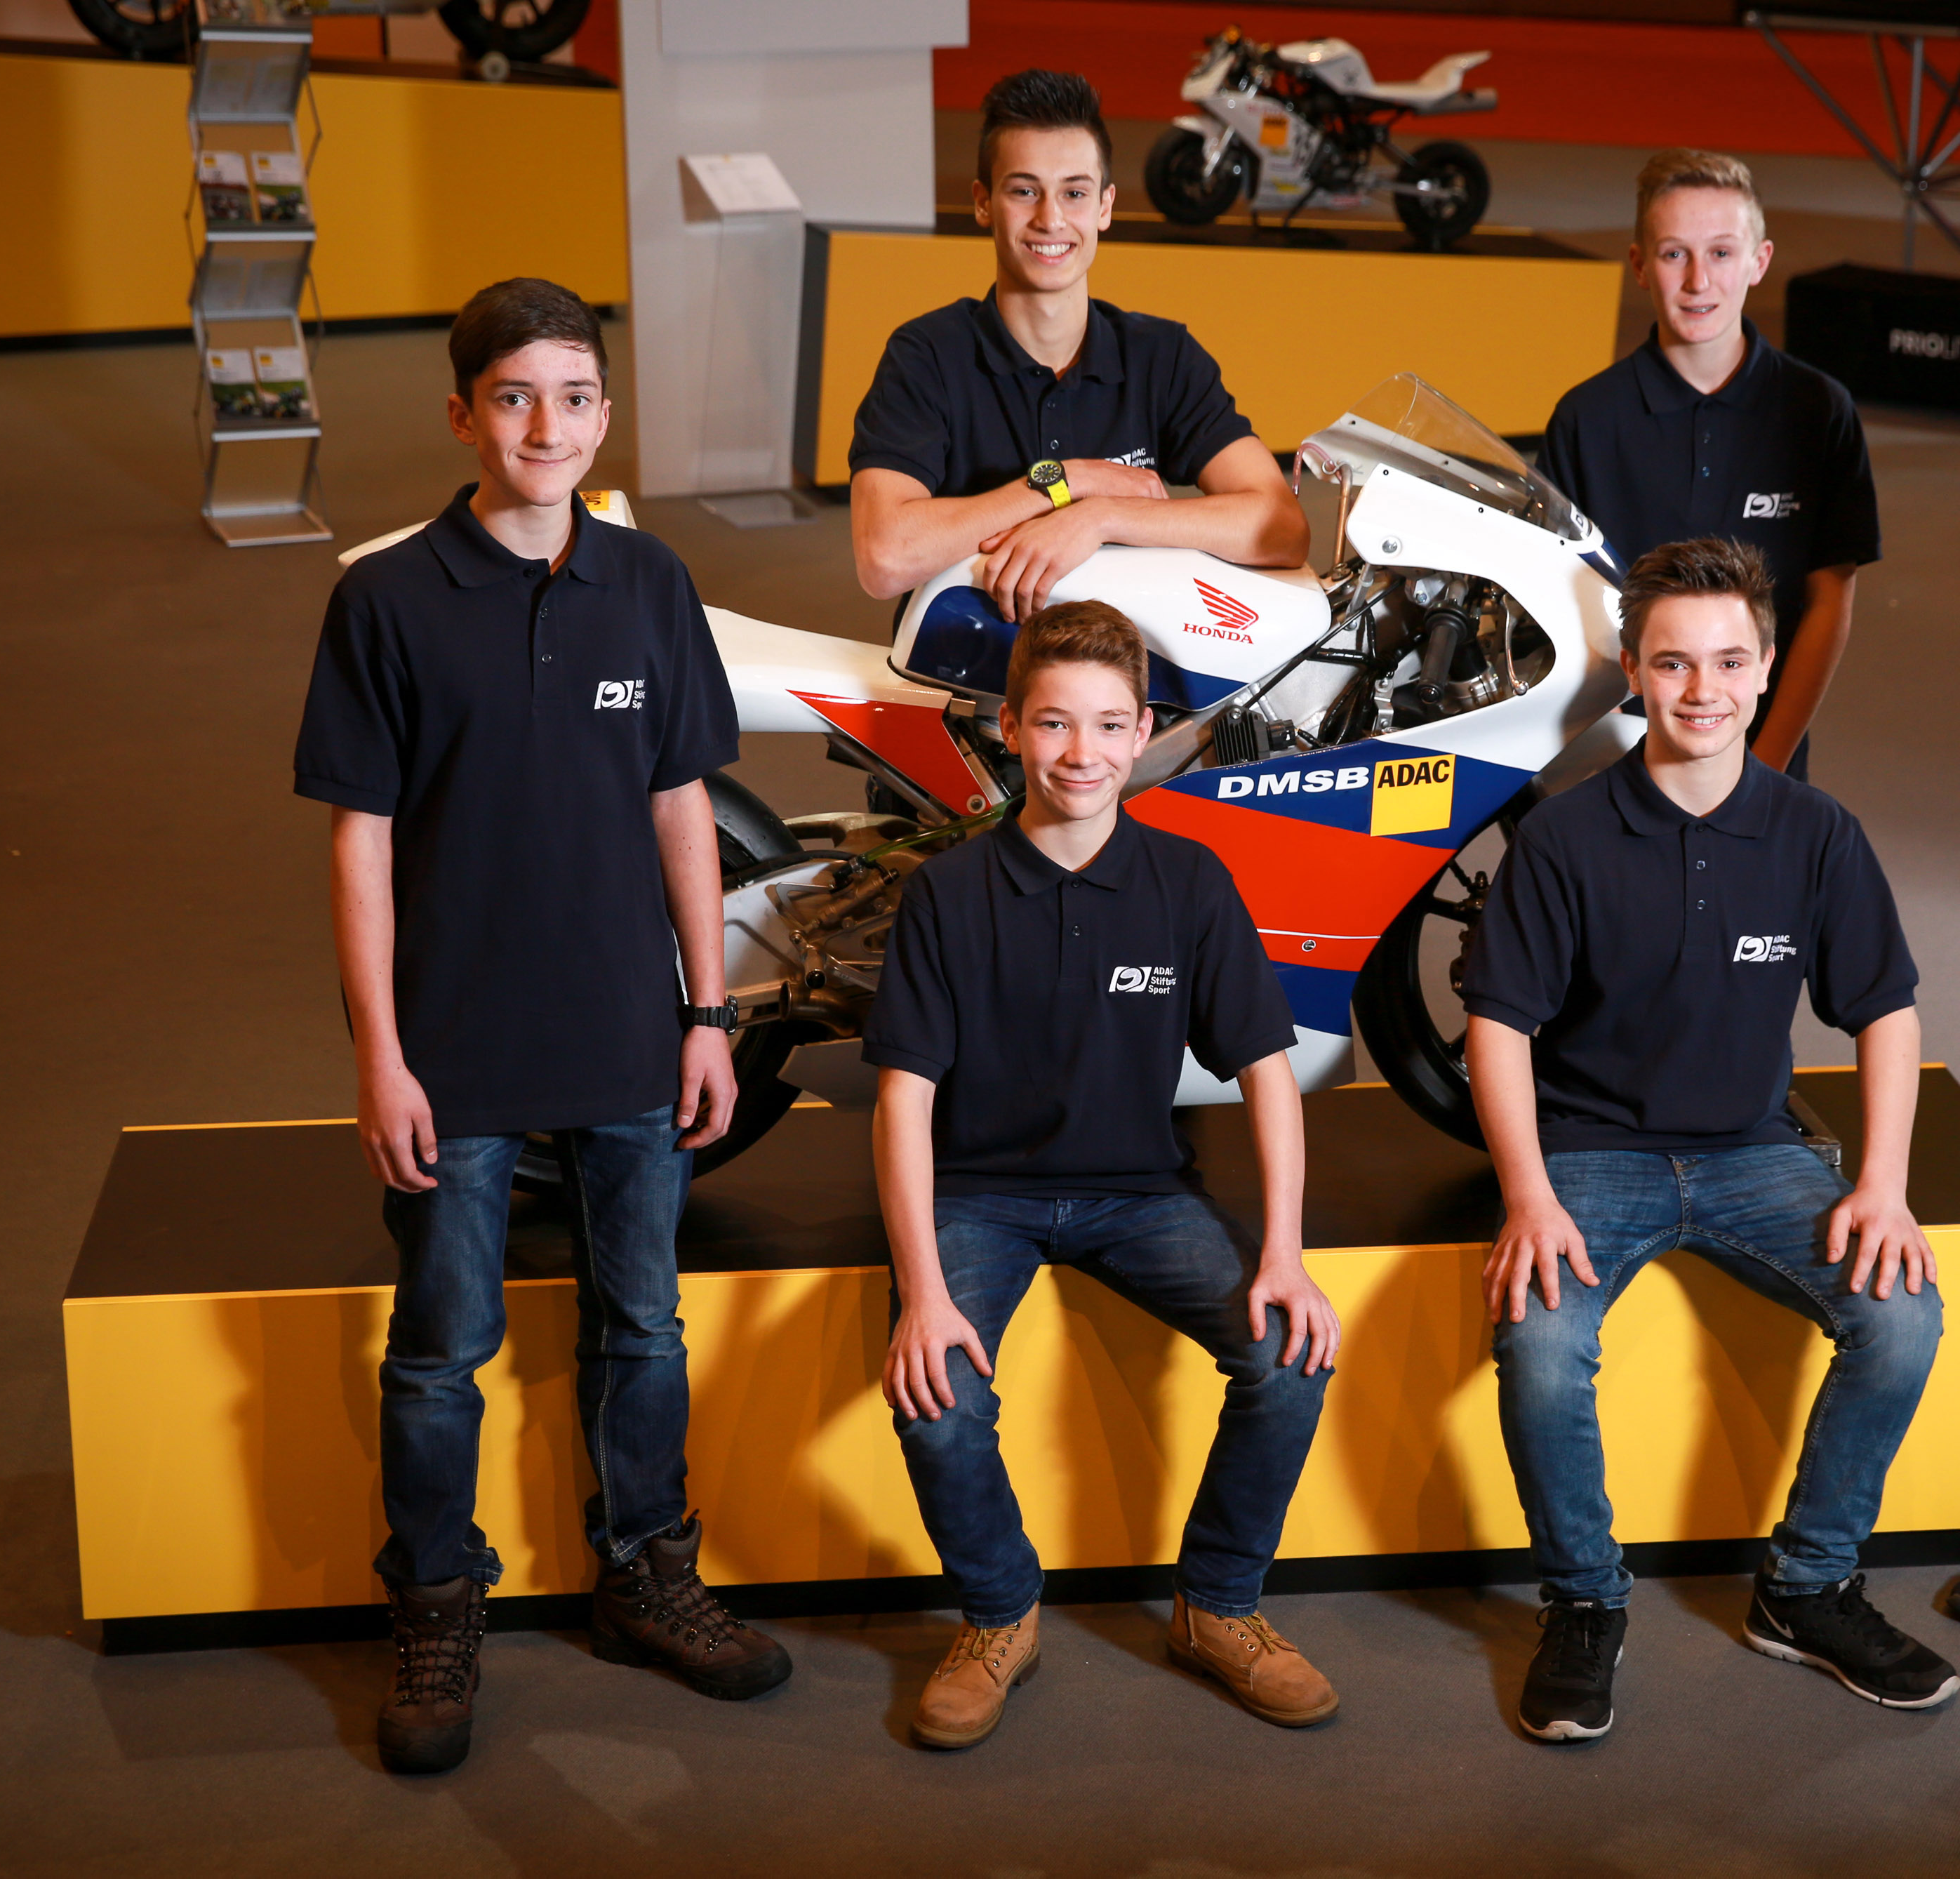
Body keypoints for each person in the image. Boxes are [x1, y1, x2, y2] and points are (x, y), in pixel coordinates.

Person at [293, 277, 792, 1777]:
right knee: (439, 1352)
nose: (546, 427)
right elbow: (360, 847)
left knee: (644, 1324)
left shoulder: (649, 582)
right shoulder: (386, 600)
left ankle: (645, 1574)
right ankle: (436, 1608)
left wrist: (708, 1012)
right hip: (454, 1051)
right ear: (463, 415)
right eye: (514, 397)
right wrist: (381, 1058)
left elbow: (683, 805)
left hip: (629, 1036)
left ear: (605, 416)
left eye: (575, 398)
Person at [1464, 536, 1954, 1739]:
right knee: (1539, 1346)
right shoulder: (1565, 839)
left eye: (1731, 661)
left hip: (1754, 1151)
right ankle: (1585, 1601)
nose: (1704, 689)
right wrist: (1528, 1194)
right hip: (1590, 1155)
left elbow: (1886, 1011)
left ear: (1768, 666)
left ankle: (1806, 1588)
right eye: (1674, 662)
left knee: (1901, 1314)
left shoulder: (1816, 833)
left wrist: (1882, 1186)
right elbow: (1498, 1024)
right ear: (1633, 670)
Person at [864, 602, 1344, 1750]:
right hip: (978, 1194)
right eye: (1054, 723)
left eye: (1109, 725)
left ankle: (1218, 1604)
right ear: (1011, 730)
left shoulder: (1190, 881)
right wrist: (922, 1291)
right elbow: (903, 1103)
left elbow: (1269, 1077)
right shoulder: (948, 893)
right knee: (935, 1397)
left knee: (1289, 1352)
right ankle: (999, 1613)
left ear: (1142, 733)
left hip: (1141, 1193)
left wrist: (1285, 1255)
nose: (1082, 752)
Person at [847, 67, 1309, 621]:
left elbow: (1281, 528)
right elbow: (885, 557)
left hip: (1125, 674)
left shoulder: (1162, 356)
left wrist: (1098, 516)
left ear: (1105, 207)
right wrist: (1070, 482)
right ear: (983, 202)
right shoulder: (927, 355)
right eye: (1024, 191)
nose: (1051, 219)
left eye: (1074, 193)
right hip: (967, 670)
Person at [1539, 150, 1879, 785]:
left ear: (1759, 261)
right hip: (1615, 765)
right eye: (1675, 254)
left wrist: (1764, 770)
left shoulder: (1819, 411)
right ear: (1640, 264)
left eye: (1721, 253)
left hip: (1765, 758)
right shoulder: (1587, 419)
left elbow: (1828, 601)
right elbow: (1558, 604)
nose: (1699, 280)